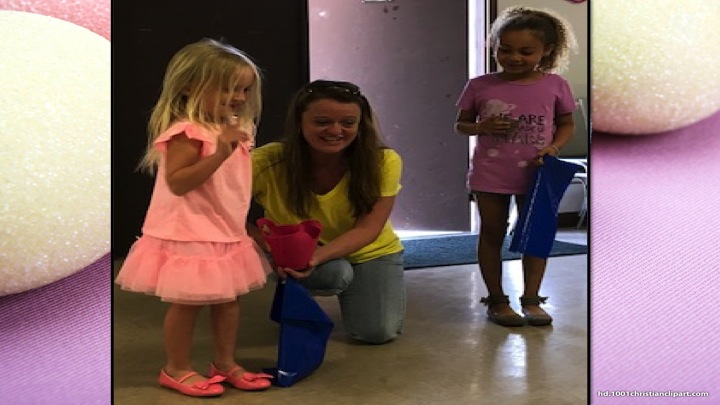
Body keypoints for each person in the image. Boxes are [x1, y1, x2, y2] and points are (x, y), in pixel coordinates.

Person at [115, 38, 274, 397]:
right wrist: (220, 154)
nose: (238, 97)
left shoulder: (234, 130)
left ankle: (225, 362)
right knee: (187, 303)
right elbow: (179, 182)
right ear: (190, 86)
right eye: (228, 88)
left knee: (229, 300)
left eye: (245, 89)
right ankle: (176, 367)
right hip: (190, 229)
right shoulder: (187, 132)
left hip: (224, 229)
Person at [250, 79, 405, 345]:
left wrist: (316, 257)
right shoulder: (265, 161)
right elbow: (220, 213)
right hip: (296, 252)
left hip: (370, 251)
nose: (335, 130)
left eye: (348, 123)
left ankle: (346, 288)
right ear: (299, 122)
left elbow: (369, 227)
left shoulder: (384, 160)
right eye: (322, 122)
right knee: (336, 273)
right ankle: (294, 291)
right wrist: (270, 249)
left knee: (376, 333)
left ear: (360, 124)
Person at [453, 6, 578, 327]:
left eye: (526, 51)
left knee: (536, 235)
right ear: (494, 46)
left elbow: (567, 124)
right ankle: (496, 300)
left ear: (546, 50)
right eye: (505, 49)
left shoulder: (555, 84)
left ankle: (532, 299)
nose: (514, 57)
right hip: (490, 175)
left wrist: (554, 147)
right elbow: (461, 125)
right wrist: (480, 127)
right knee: (491, 234)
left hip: (537, 174)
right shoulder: (479, 85)